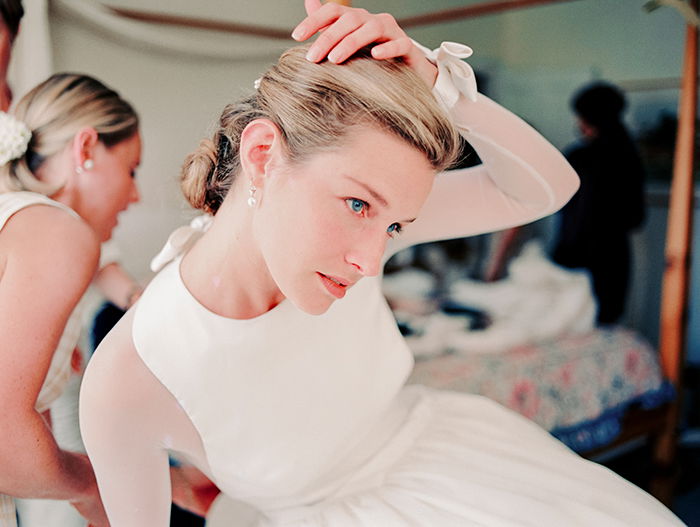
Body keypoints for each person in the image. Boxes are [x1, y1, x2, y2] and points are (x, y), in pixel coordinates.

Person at [80, 2, 682, 525]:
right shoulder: (126, 383)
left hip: (460, 465)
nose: (371, 263)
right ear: (263, 153)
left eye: (394, 225)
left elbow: (546, 189)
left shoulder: (363, 238)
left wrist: (439, 82)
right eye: (358, 203)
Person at [0, 73, 141, 527]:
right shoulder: (59, 231)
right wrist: (90, 487)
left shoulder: (17, 219)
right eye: (131, 169)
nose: (134, 194)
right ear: (85, 149)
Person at [552, 81, 646, 325]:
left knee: (574, 323)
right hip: (614, 255)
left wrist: (562, 255)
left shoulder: (582, 157)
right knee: (607, 321)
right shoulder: (629, 154)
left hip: (580, 254)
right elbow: (636, 218)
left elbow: (572, 211)